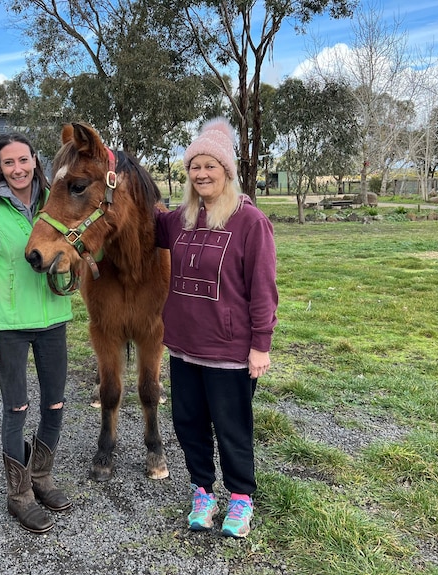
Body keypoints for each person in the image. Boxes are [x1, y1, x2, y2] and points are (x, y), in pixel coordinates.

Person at [155, 118, 279, 539]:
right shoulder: (179, 219)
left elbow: (263, 290)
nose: (202, 174)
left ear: (227, 171)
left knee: (231, 427)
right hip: (183, 346)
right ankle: (202, 491)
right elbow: (134, 226)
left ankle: (241, 498)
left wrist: (260, 345)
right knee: (188, 422)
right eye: (194, 167)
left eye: (211, 166)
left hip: (229, 349)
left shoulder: (250, 222)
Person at [0, 133, 73, 533]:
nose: (17, 169)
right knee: (16, 410)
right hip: (9, 326)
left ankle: (42, 478)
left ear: (35, 161)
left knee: (55, 406)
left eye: (23, 160)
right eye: (8, 163)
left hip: (53, 321)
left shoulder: (55, 203)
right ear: (0, 168)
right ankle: (20, 495)